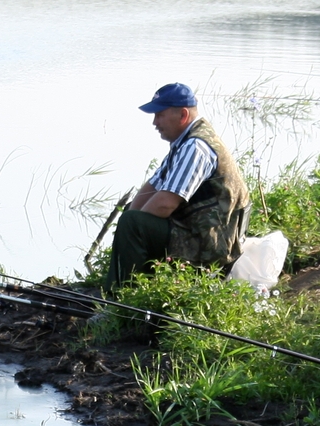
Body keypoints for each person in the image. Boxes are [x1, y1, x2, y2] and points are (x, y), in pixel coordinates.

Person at [106, 83, 250, 289]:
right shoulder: (184, 142)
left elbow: (164, 205)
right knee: (131, 216)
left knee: (133, 223)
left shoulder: (196, 146)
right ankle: (129, 284)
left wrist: (136, 228)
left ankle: (122, 297)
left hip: (210, 249)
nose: (155, 122)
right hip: (196, 233)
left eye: (160, 115)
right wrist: (132, 216)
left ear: (183, 115)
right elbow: (152, 187)